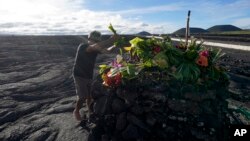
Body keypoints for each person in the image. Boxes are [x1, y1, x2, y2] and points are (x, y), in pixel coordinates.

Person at [73, 31, 119, 121]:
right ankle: (76, 111)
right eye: (93, 39)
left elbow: (107, 51)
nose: (94, 42)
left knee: (90, 95)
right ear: (89, 39)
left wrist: (115, 44)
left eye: (96, 40)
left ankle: (90, 110)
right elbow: (94, 47)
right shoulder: (83, 46)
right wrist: (111, 39)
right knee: (82, 97)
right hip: (79, 75)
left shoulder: (95, 48)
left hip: (88, 74)